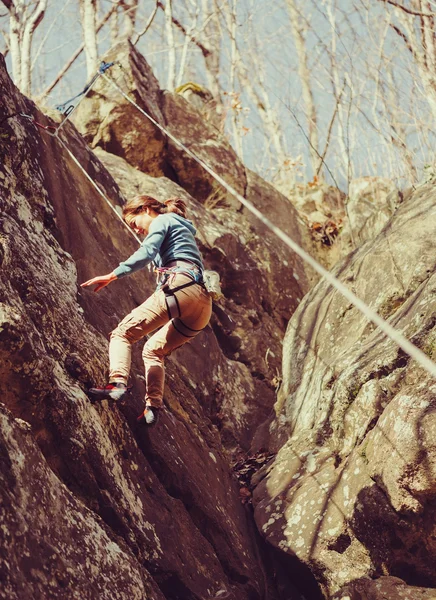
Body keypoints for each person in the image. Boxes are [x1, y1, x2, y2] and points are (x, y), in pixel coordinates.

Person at [81, 195, 212, 425]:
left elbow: (147, 251)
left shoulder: (162, 220)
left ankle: (117, 384)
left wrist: (113, 275)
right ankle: (153, 408)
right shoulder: (180, 228)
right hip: (202, 305)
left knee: (122, 334)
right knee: (153, 350)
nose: (137, 230)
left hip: (181, 288)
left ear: (146, 209)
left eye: (134, 223)